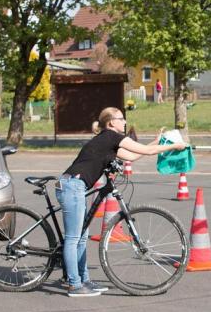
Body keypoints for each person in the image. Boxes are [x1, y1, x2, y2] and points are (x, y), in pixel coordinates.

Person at [57, 107, 186, 297]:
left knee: (81, 237)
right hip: (72, 186)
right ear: (111, 123)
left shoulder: (109, 142)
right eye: (121, 119)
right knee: (74, 238)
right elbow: (148, 151)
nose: (124, 122)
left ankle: (83, 280)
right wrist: (174, 146)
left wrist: (156, 142)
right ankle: (75, 285)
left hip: (75, 186)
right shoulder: (111, 136)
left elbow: (134, 156)